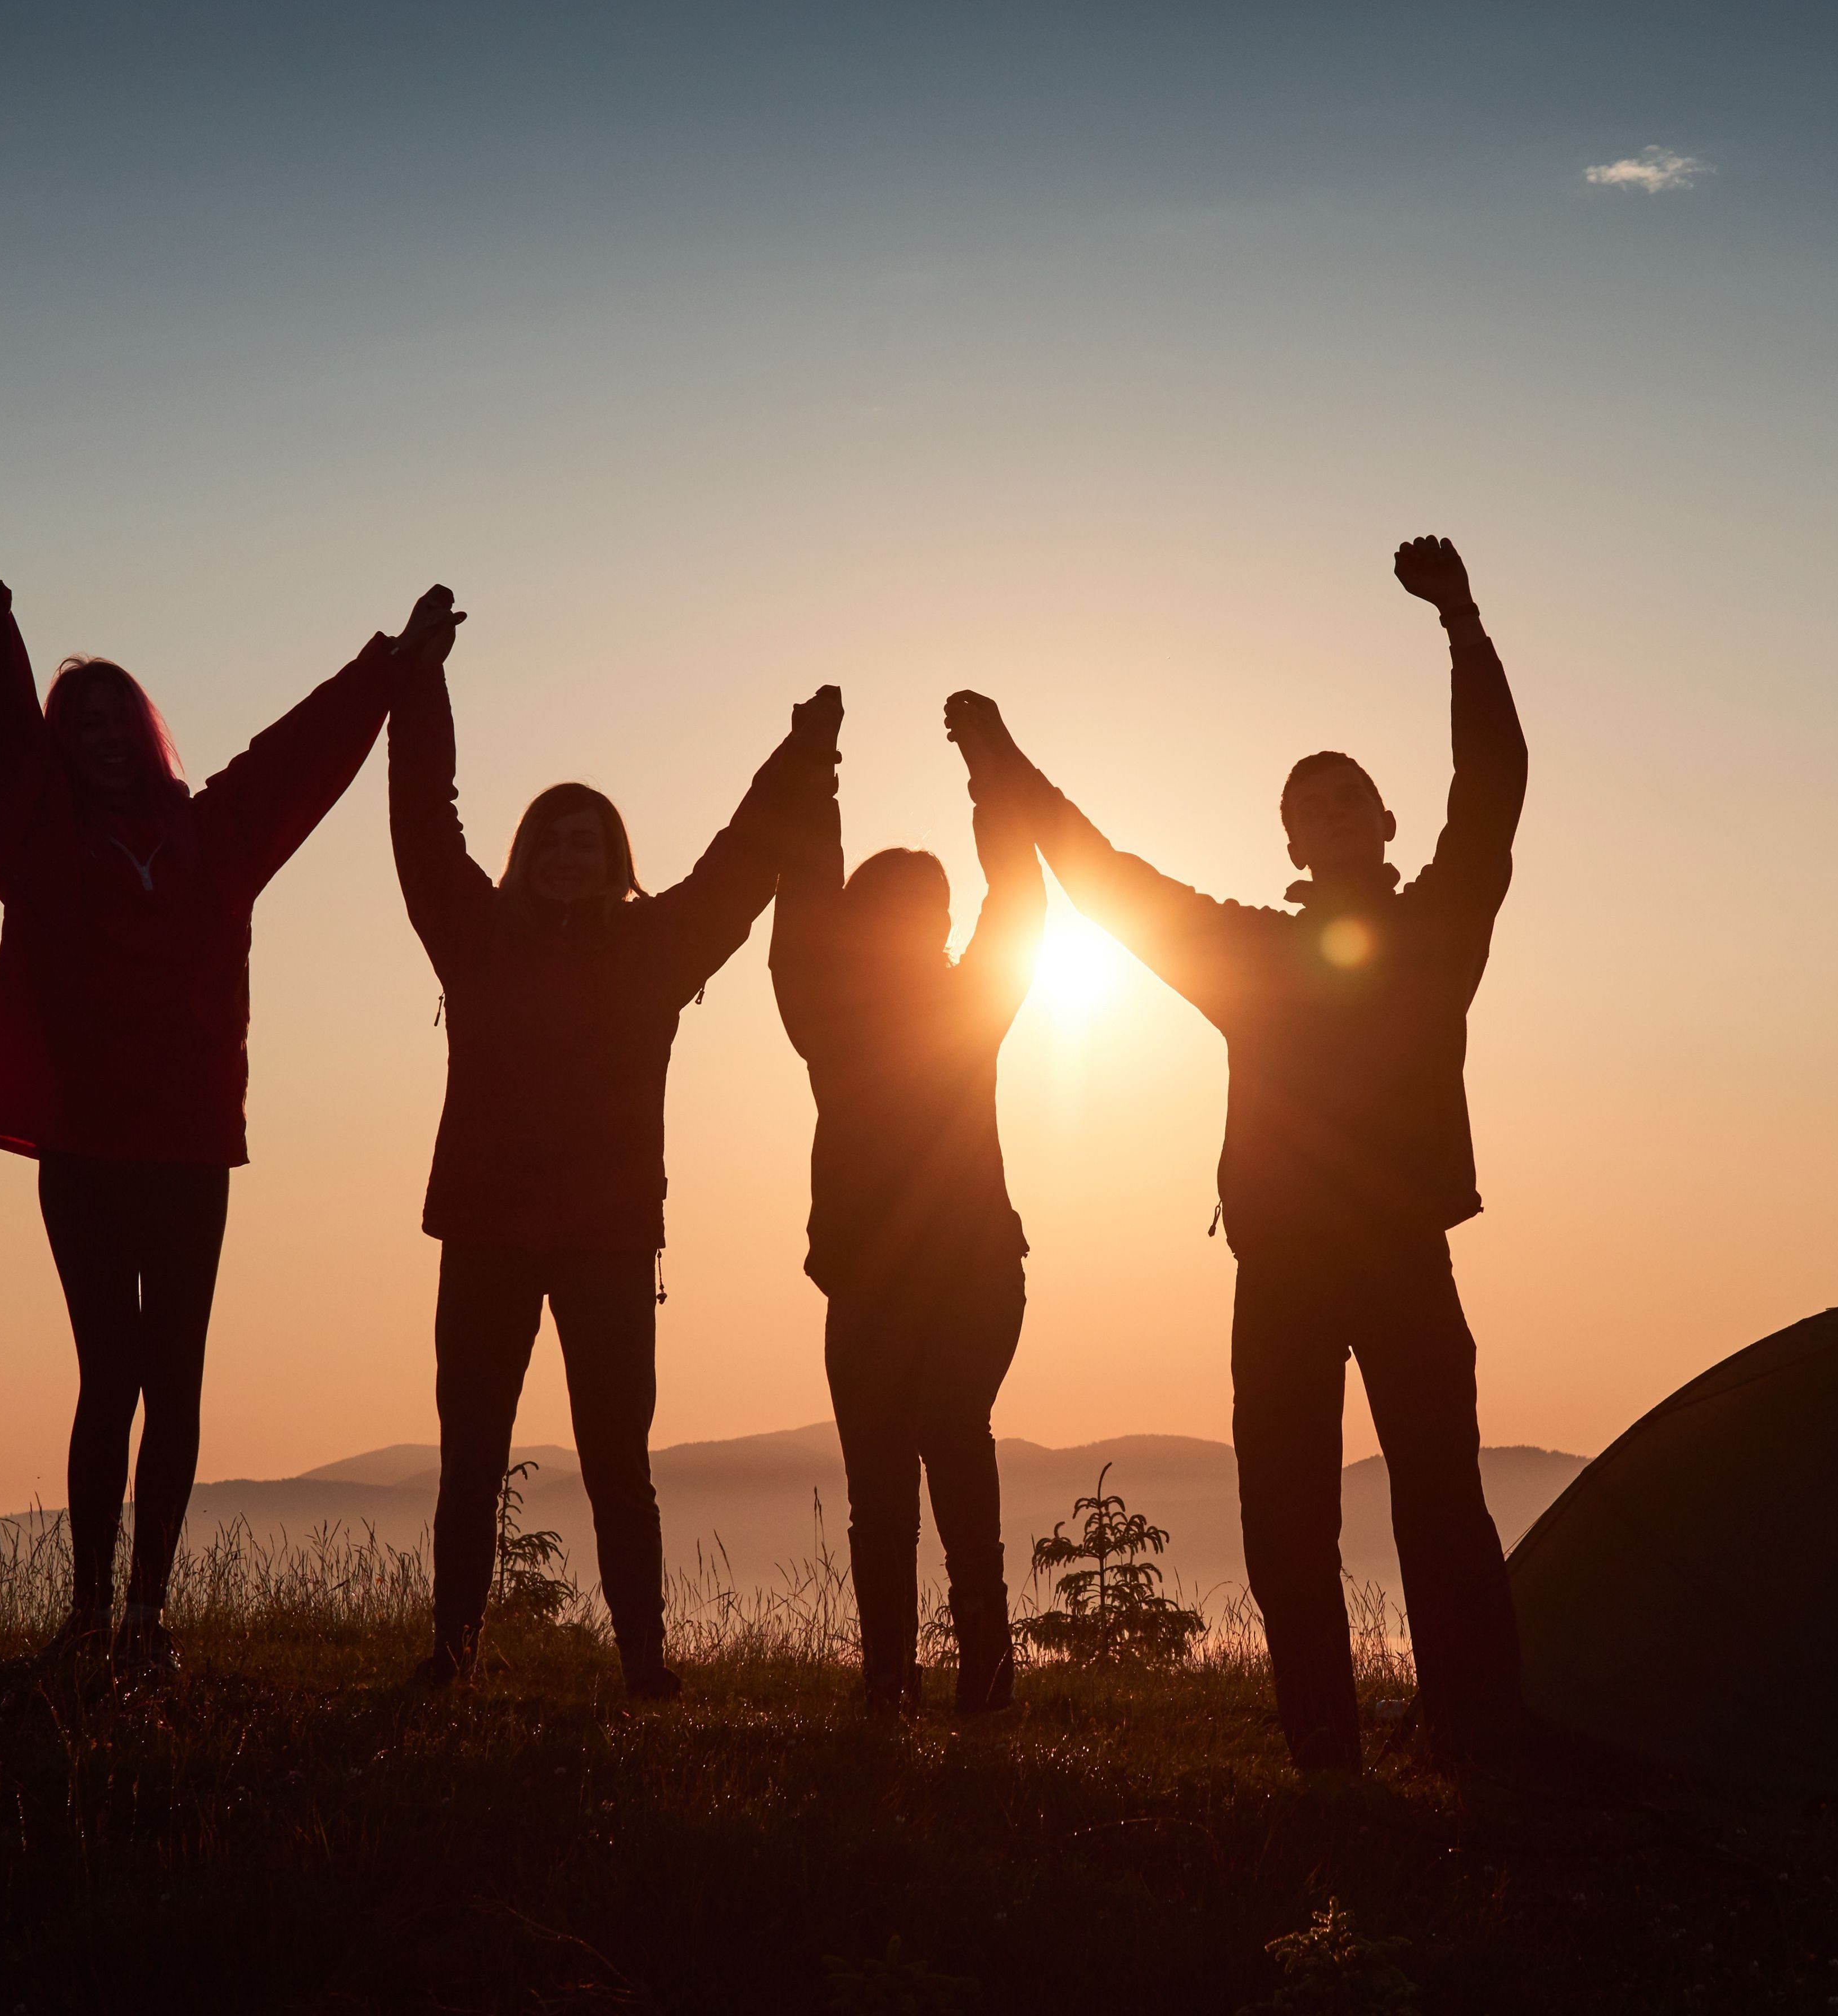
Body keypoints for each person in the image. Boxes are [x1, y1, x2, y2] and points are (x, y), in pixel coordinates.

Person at [955, 536, 1529, 1772]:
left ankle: (1481, 1744)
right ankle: (1323, 1751)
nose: (1323, 813)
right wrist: (1001, 761)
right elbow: (1110, 879)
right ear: (1287, 839)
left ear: (1382, 823)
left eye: (1344, 797)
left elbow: (1493, 786)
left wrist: (1464, 628)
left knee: (1439, 1502)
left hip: (1402, 1254)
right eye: (1299, 804)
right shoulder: (1253, 957)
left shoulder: (1437, 926)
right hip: (1279, 1266)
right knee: (1283, 1517)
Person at [0, 481, 455, 1675]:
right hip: (81, 1145)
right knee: (106, 1372)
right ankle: (82, 1608)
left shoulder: (213, 838)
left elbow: (299, 755)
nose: (100, 736)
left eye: (116, 717)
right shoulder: (35, 838)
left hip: (185, 1152)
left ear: (146, 729)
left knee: (173, 1373)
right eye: (81, 722)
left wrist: (391, 665)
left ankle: (145, 1616)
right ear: (61, 744)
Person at [390, 631, 834, 1699]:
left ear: (615, 859)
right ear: (524, 854)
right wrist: (420, 682)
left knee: (618, 1464)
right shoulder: (474, 935)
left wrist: (801, 755)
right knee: (471, 1458)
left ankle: (644, 1663)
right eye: (553, 840)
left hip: (608, 1239)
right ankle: (454, 1654)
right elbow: (420, 819)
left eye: (587, 843)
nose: (568, 857)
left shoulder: (654, 951)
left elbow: (738, 865)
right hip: (487, 1233)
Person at [770, 688, 1045, 1716]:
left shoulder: (967, 1006)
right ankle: (888, 1676)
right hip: (871, 1283)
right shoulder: (825, 1019)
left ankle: (984, 1670)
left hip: (974, 1274)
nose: (921, 926)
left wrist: (986, 763)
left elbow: (1015, 900)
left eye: (929, 911)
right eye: (900, 910)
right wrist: (815, 769)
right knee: (880, 1478)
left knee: (948, 1431)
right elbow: (801, 902)